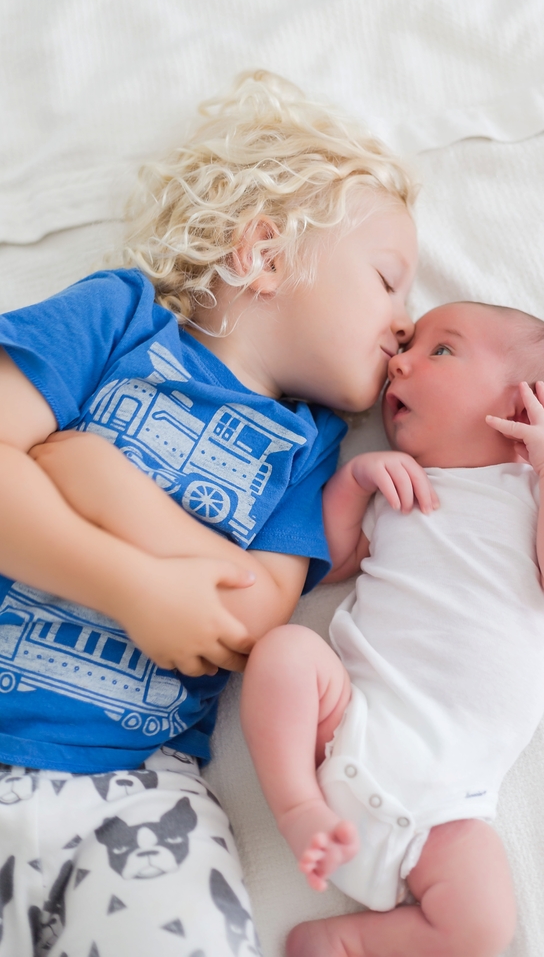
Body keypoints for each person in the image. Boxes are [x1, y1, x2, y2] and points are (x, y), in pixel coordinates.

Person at [0, 71, 418, 957]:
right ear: (264, 253)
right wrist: (128, 583)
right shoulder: (117, 321)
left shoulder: (310, 452)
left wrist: (104, 483)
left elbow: (250, 615)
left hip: (134, 801)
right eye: (388, 280)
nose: (404, 324)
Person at [240, 300, 544, 957]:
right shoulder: (398, 491)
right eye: (408, 348)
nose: (399, 362)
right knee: (284, 653)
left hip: (449, 801)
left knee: (485, 923)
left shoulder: (534, 496)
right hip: (352, 723)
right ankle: (298, 807)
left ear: (524, 413)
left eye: (441, 350)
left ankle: (347, 941)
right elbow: (326, 565)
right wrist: (356, 482)